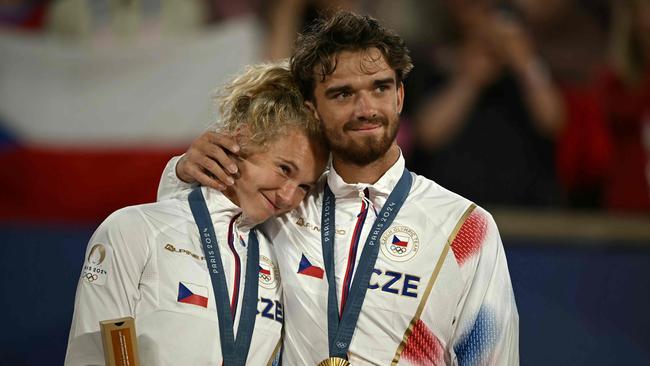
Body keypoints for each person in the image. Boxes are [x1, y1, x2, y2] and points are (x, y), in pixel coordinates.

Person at [159, 11, 519, 365]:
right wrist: (184, 170)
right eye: (342, 94)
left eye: (380, 88)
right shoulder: (283, 203)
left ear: (400, 97)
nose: (365, 109)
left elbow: (491, 356)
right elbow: (185, 239)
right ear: (312, 108)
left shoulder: (466, 226)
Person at [65, 61, 329, 365]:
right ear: (242, 139)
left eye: (304, 187)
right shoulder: (135, 229)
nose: (287, 196)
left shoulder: (284, 255)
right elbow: (94, 355)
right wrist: (179, 172)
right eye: (284, 169)